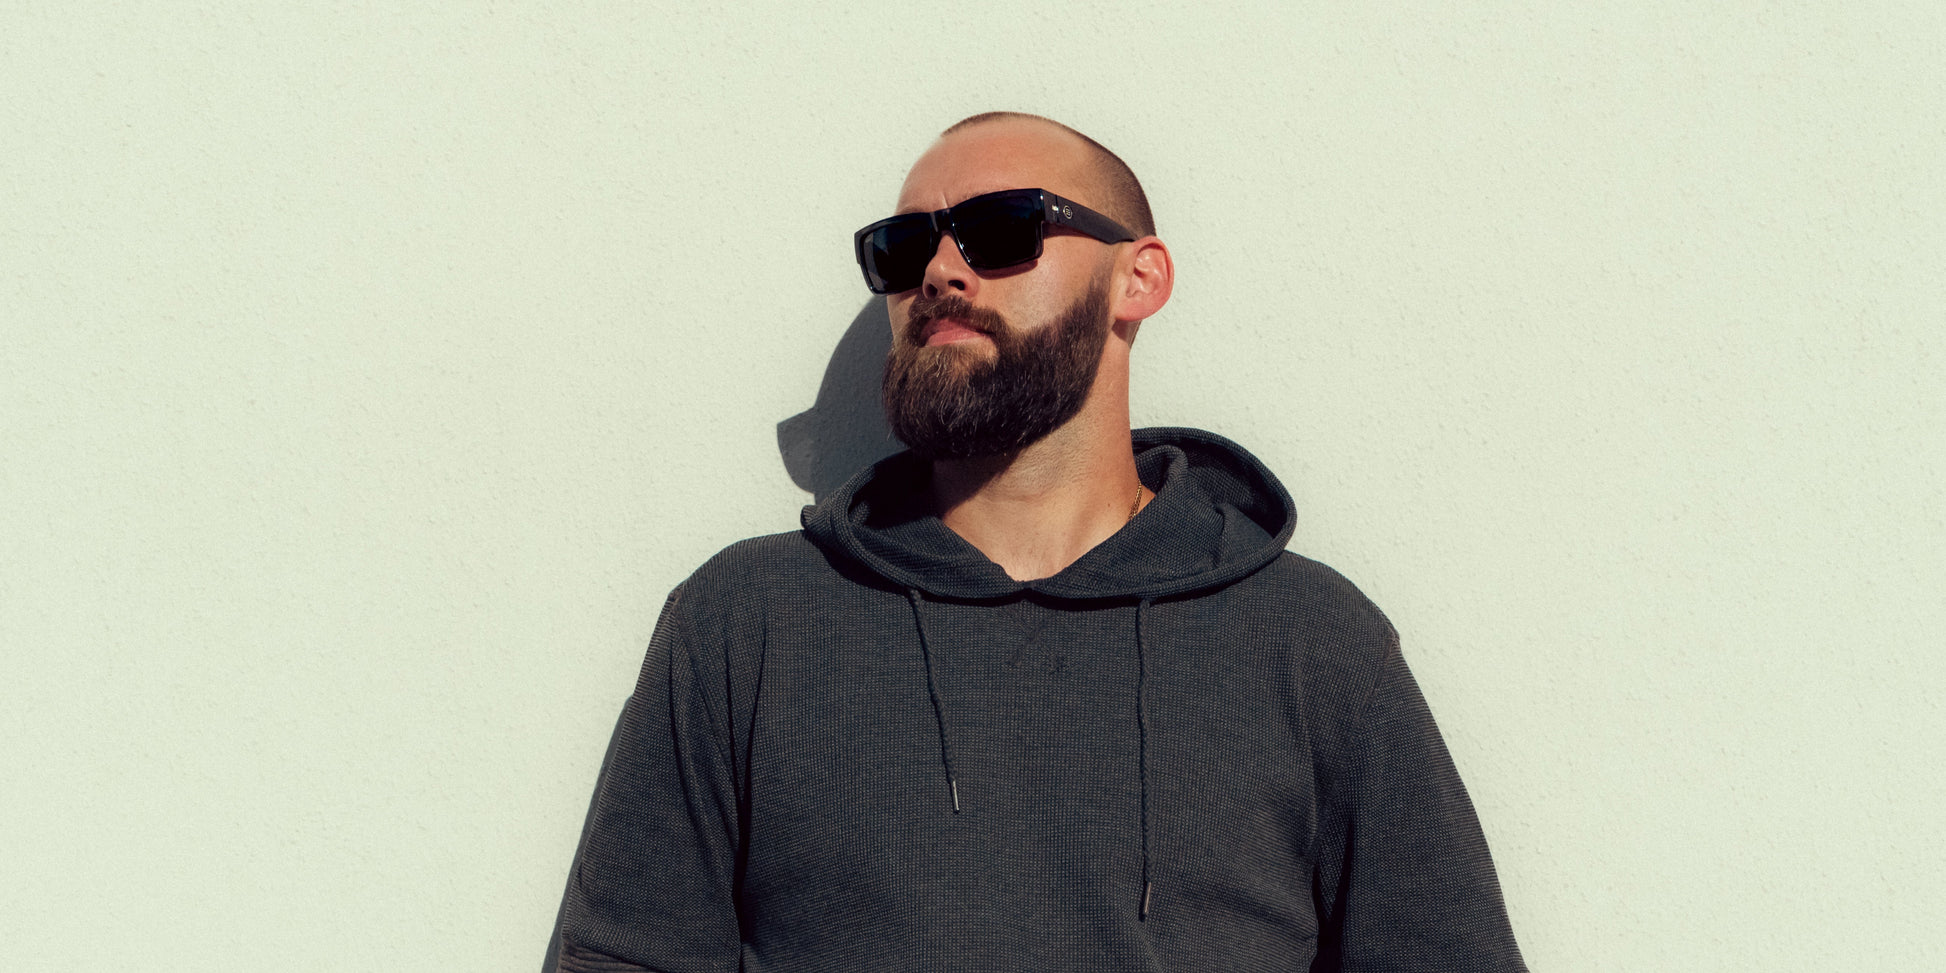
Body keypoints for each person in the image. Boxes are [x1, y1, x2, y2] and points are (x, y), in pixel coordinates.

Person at [553, 111, 1527, 972]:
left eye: (1001, 228)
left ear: (1138, 278)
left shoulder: (1312, 641)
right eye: (902, 247)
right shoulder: (746, 624)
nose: (940, 271)